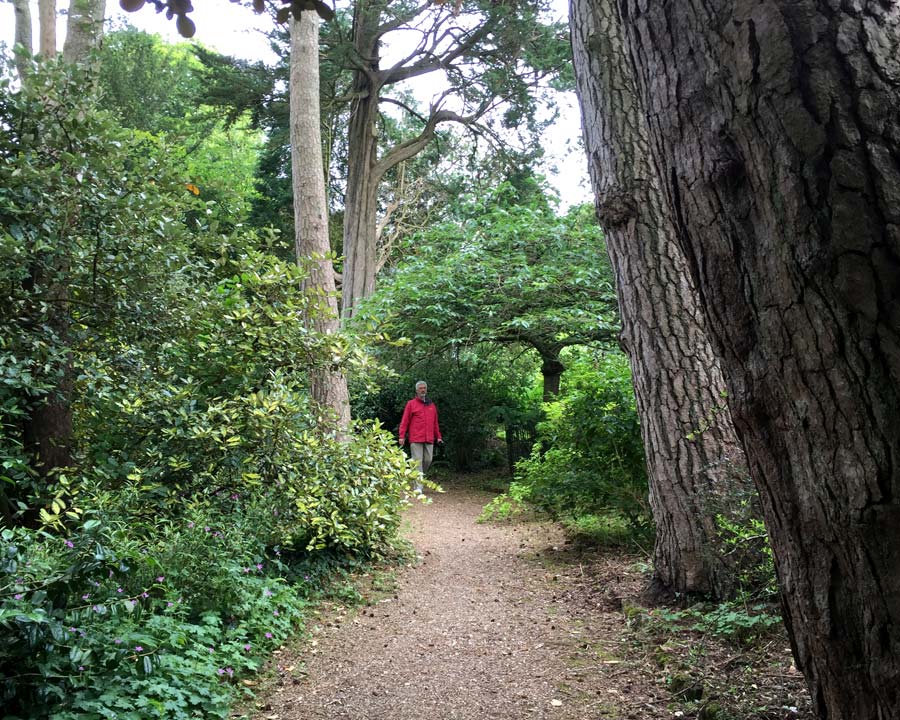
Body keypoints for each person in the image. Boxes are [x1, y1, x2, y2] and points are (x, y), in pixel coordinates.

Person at [399, 380, 443, 492]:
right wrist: (402, 436)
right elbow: (405, 421)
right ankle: (418, 487)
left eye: (424, 388)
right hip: (416, 438)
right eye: (421, 388)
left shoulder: (431, 405)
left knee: (428, 460)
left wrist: (438, 436)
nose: (423, 390)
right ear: (417, 390)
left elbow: (435, 423)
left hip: (429, 438)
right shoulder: (411, 404)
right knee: (417, 461)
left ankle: (417, 477)